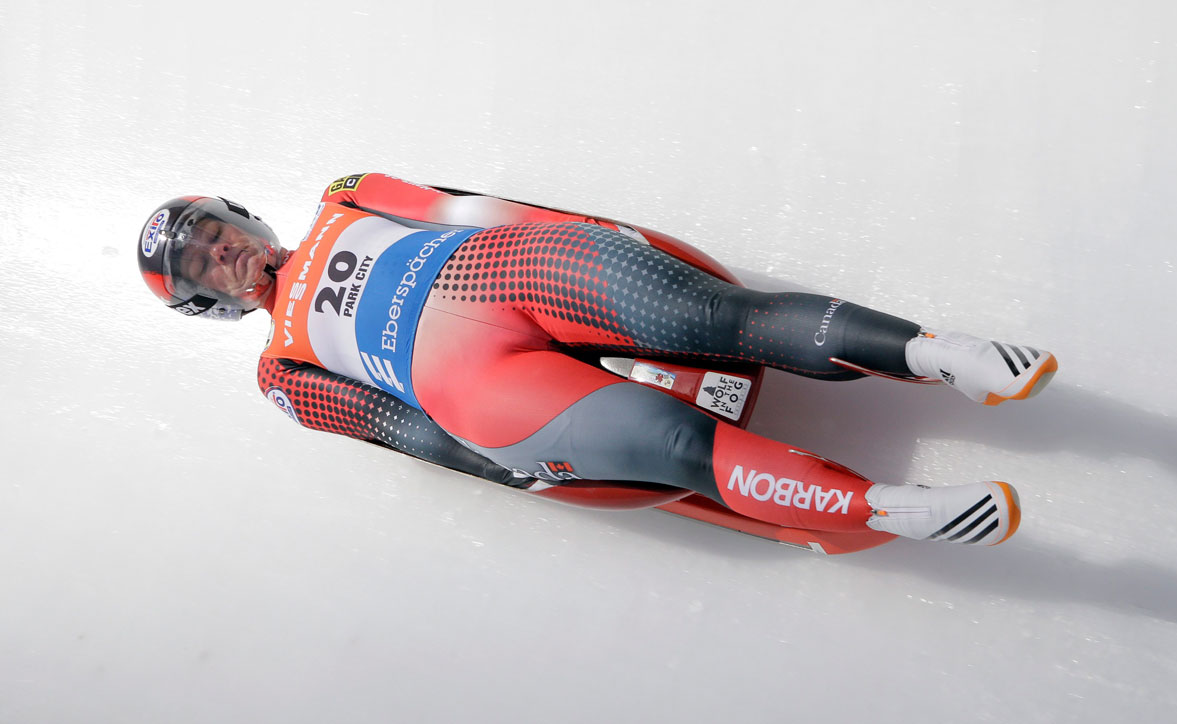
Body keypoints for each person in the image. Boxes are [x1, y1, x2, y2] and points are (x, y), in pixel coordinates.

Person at [136, 174, 1057, 546]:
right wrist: (509, 471)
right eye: (202, 262)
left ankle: (943, 355)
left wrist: (590, 239)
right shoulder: (282, 374)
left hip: (505, 271)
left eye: (217, 233)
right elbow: (403, 430)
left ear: (244, 218)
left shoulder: (345, 196)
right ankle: (887, 508)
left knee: (716, 315)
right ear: (205, 300)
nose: (222, 251)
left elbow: (471, 209)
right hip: (479, 389)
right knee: (668, 443)